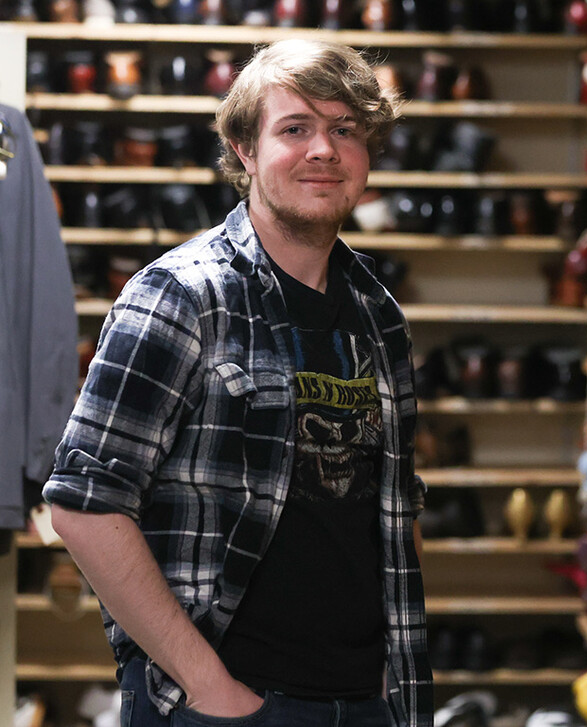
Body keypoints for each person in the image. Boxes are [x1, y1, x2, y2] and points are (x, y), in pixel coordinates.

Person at [43, 39, 432, 727]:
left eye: (346, 130)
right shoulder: (181, 297)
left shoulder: (379, 315)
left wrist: (391, 675)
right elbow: (83, 503)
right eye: (295, 128)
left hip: (367, 699)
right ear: (244, 149)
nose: (324, 150)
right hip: (225, 703)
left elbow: (393, 506)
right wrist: (208, 686)